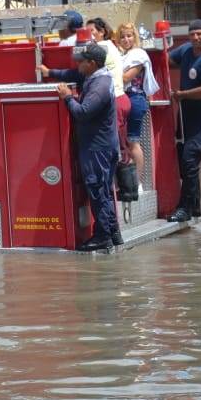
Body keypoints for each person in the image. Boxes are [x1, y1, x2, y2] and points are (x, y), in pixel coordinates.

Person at [36, 43, 121, 251]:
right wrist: (51, 72)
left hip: (97, 148)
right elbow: (73, 72)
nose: (78, 65)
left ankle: (102, 236)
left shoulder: (99, 85)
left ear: (92, 63)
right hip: (102, 146)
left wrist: (66, 97)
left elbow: (82, 112)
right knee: (104, 191)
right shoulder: (96, 76)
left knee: (98, 190)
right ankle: (113, 233)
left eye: (82, 61)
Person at [166, 18, 201, 223]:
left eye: (200, 34)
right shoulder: (187, 50)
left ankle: (185, 209)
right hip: (184, 114)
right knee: (184, 159)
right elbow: (167, 60)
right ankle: (196, 205)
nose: (196, 37)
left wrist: (181, 94)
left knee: (189, 160)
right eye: (192, 34)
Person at [116, 22, 160, 184]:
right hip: (122, 99)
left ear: (134, 37)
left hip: (135, 100)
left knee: (133, 141)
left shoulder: (138, 55)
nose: (126, 39)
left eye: (129, 35)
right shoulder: (122, 55)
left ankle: (137, 182)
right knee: (124, 142)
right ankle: (127, 181)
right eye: (122, 36)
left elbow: (126, 77)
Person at [87, 17, 131, 153]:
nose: (88, 34)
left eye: (91, 31)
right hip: (121, 99)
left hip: (115, 101)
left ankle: (125, 173)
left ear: (102, 32)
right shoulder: (110, 45)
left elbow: (81, 60)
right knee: (121, 147)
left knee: (116, 149)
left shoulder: (102, 47)